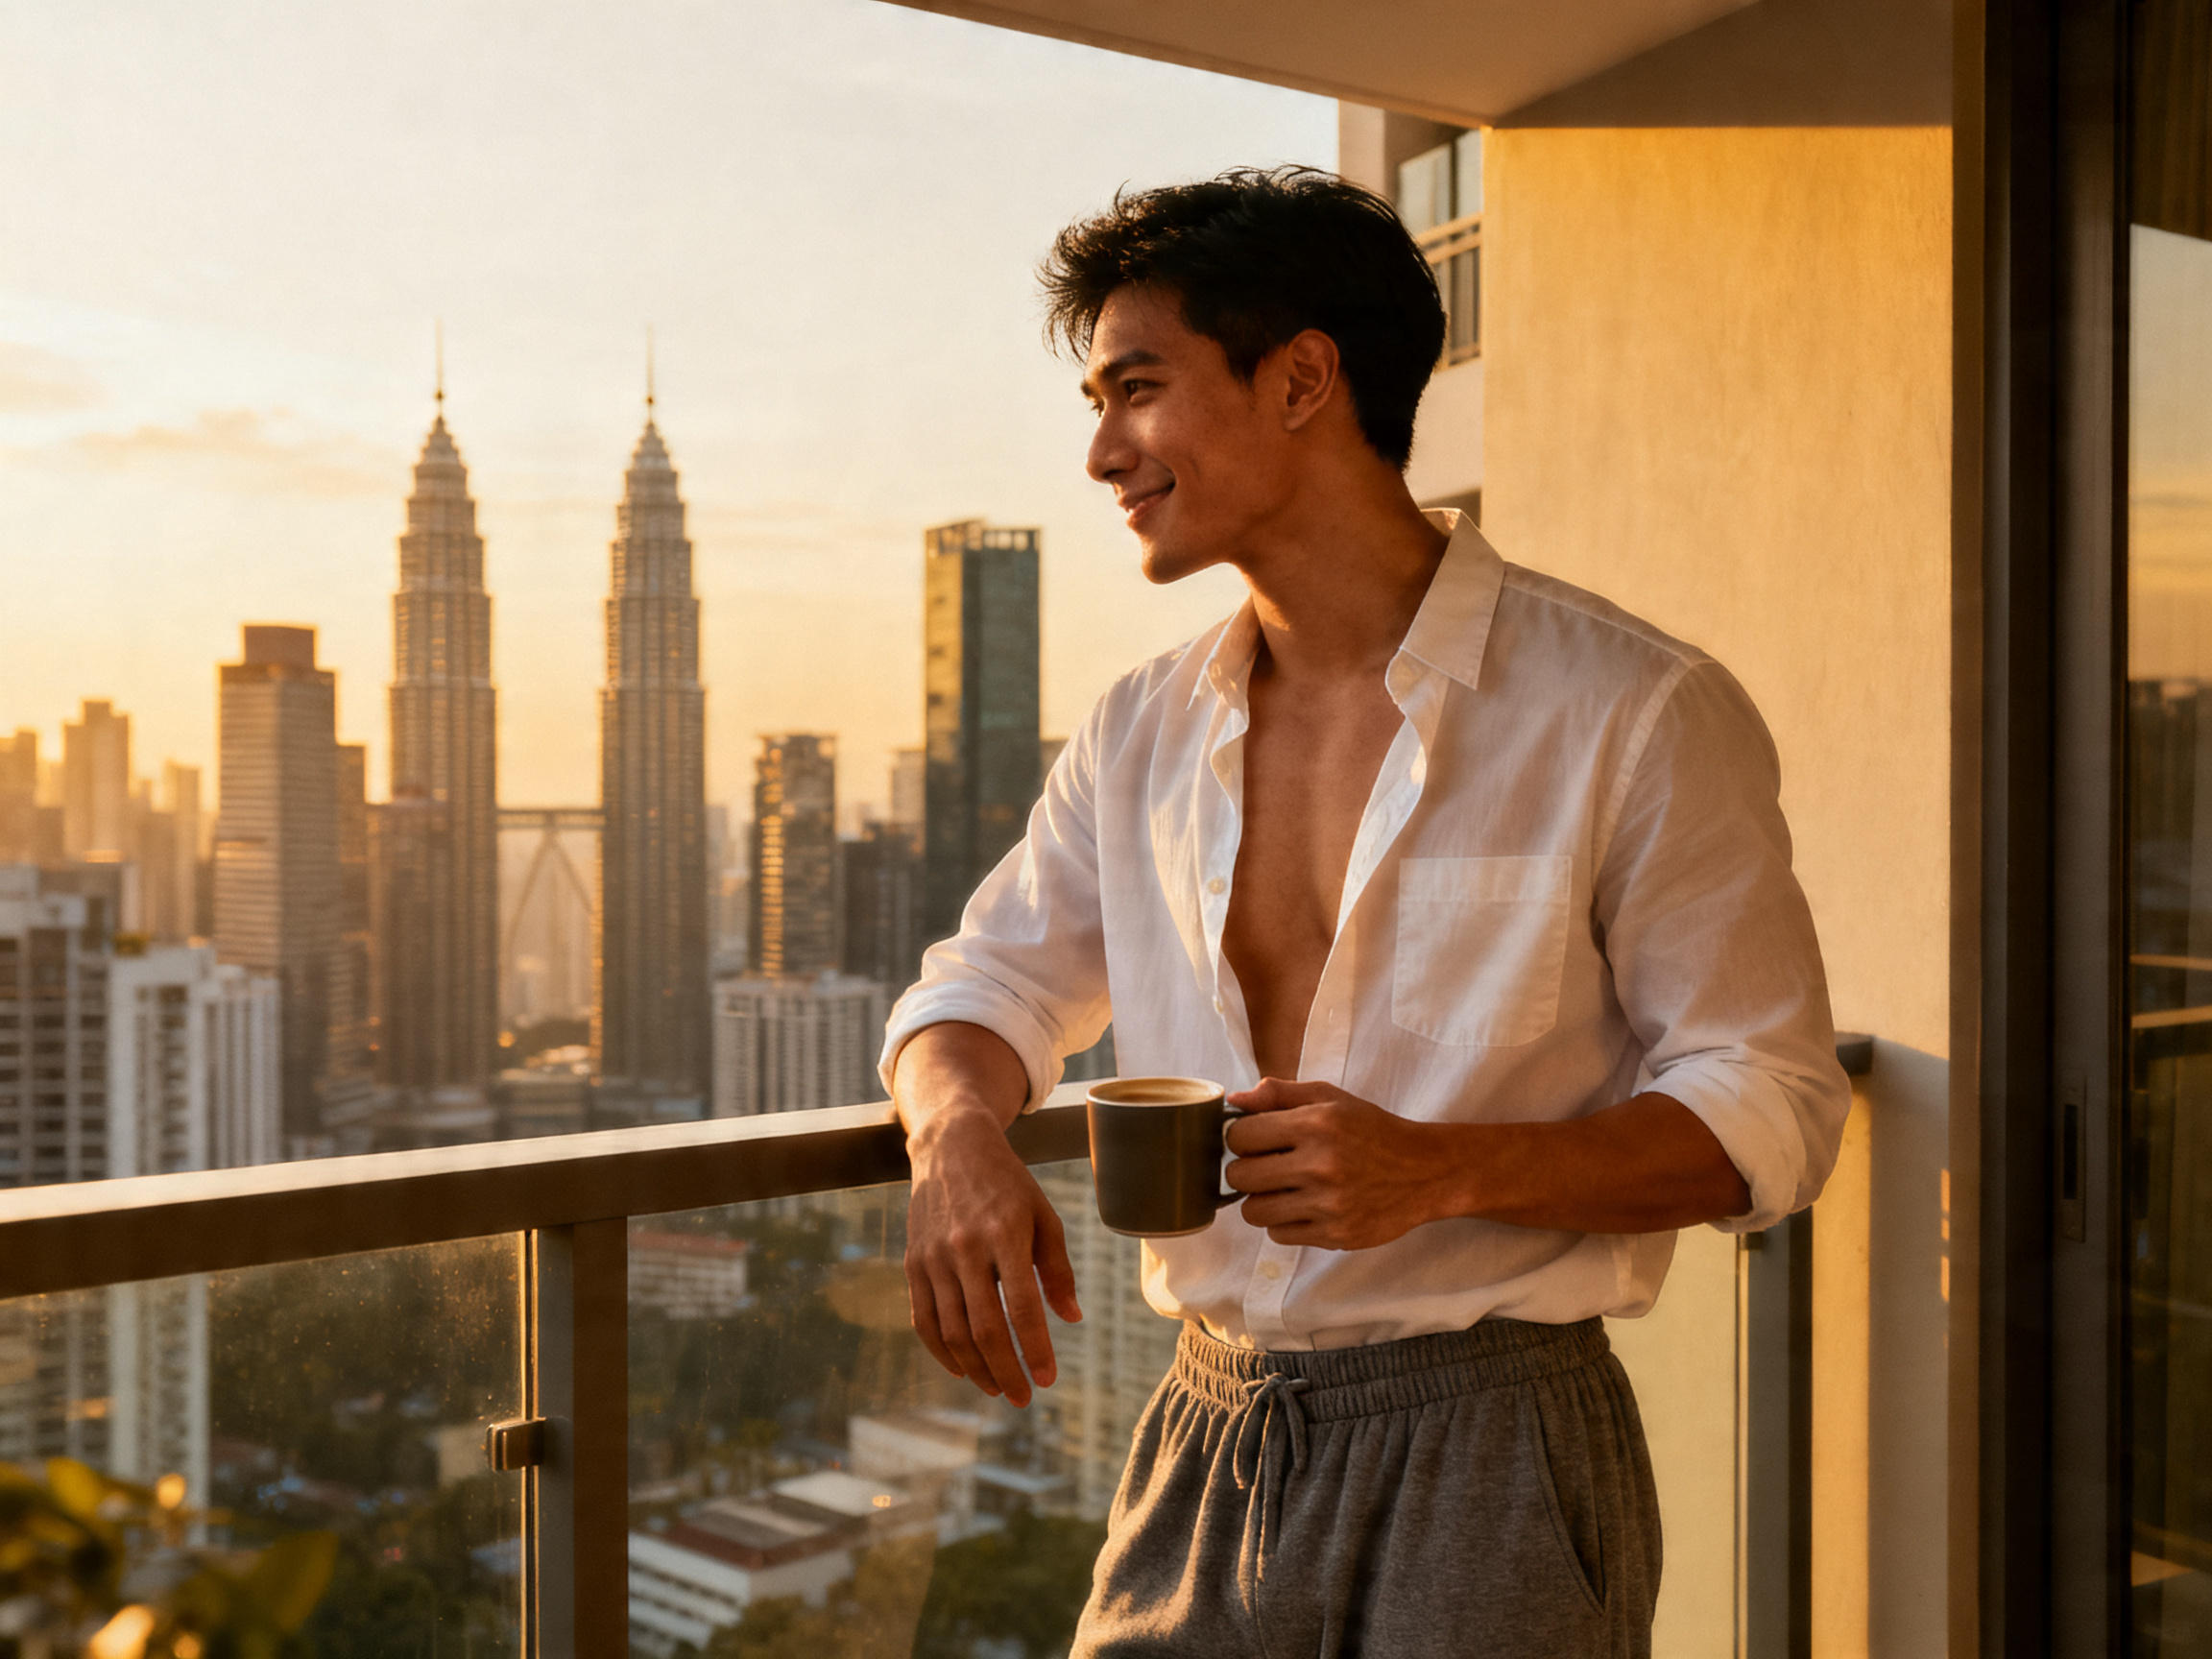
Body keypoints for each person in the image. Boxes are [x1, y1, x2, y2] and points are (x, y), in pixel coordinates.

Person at [881, 166, 1850, 1658]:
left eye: (1137, 389)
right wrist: (953, 1139)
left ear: (1304, 381)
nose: (1098, 453)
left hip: (1497, 1442)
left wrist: (1444, 1171)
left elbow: (1774, 1108)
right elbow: (985, 987)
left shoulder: (1632, 709)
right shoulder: (1141, 731)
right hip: (1203, 1429)